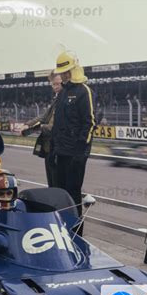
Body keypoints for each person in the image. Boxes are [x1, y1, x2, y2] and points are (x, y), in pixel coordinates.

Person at [51, 51, 96, 236]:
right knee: (60, 195)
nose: (63, 75)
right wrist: (54, 149)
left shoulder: (84, 91)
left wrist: (81, 153)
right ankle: (61, 231)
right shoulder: (62, 93)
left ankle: (77, 234)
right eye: (61, 72)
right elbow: (58, 125)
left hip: (75, 156)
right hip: (60, 153)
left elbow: (90, 123)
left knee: (73, 195)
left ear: (74, 68)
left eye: (66, 71)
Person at [21, 71, 62, 187]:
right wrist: (28, 124)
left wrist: (38, 127)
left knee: (57, 184)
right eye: (53, 84)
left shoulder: (65, 99)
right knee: (51, 183)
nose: (56, 87)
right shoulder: (56, 98)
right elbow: (44, 116)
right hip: (48, 147)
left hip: (58, 148)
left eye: (58, 84)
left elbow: (57, 127)